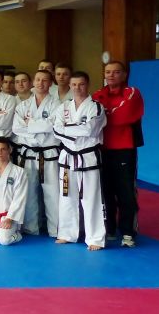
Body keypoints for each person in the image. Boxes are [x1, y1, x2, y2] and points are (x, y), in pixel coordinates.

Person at [93, 61, 144, 248]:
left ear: (124, 75)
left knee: (126, 193)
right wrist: (103, 116)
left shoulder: (132, 92)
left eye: (116, 72)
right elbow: (93, 118)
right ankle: (110, 229)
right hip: (102, 149)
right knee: (106, 191)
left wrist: (105, 115)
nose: (111, 75)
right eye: (108, 72)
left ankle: (128, 232)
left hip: (124, 150)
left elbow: (123, 116)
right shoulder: (98, 95)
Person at [54, 71, 107, 251]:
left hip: (88, 157)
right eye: (74, 84)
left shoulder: (96, 107)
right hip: (67, 157)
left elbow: (90, 130)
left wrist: (67, 129)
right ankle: (66, 233)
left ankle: (95, 238)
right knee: (66, 196)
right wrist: (76, 129)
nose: (77, 88)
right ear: (70, 86)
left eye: (81, 84)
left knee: (91, 198)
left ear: (88, 85)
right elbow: (56, 130)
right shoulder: (63, 107)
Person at [12, 70, 61, 237]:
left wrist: (29, 125)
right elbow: (16, 128)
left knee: (52, 192)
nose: (40, 83)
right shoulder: (23, 105)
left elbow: (53, 127)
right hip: (28, 154)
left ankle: (55, 229)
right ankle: (31, 227)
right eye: (38, 79)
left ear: (50, 83)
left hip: (49, 154)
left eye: (45, 80)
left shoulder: (57, 105)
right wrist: (39, 129)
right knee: (29, 192)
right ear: (33, 82)